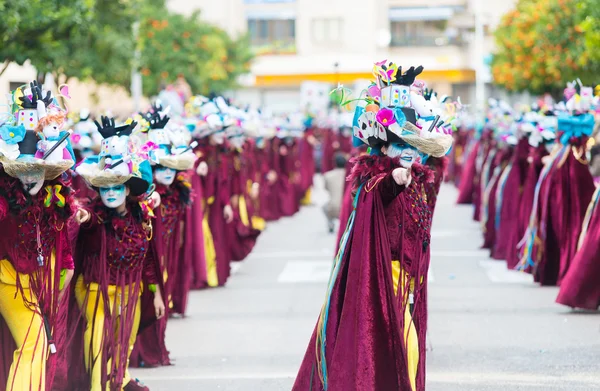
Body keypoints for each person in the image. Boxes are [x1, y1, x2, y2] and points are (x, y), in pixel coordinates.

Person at [292, 62, 453, 391]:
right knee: (399, 353)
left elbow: (431, 173)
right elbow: (381, 188)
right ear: (381, 145)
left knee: (406, 349)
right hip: (385, 276)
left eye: (414, 148)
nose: (409, 155)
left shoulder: (418, 176)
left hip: (408, 275)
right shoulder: (377, 178)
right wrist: (394, 177)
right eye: (401, 146)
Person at [71, 116, 165, 391]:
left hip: (130, 292)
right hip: (95, 292)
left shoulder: (141, 217)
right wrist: (82, 216)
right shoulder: (96, 216)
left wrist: (156, 292)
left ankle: (119, 382)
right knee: (97, 341)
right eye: (104, 187)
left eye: (116, 187)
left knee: (124, 343)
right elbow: (87, 219)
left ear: (127, 189)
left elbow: (147, 258)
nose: (110, 193)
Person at [0, 81, 78, 391]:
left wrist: (68, 265)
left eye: (38, 169)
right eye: (25, 168)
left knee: (40, 345)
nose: (31, 175)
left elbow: (60, 236)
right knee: (34, 341)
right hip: (9, 280)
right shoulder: (5, 198)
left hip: (40, 281)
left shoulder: (53, 197)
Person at [322, 153, 347, 233]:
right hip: (345, 208)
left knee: (324, 207)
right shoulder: (349, 176)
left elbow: (326, 188)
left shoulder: (328, 175)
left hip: (332, 208)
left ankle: (330, 222)